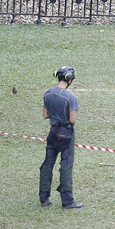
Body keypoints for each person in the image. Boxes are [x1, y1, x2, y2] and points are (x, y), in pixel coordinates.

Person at [39, 65, 83, 209]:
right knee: (65, 166)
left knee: (47, 164)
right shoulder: (70, 97)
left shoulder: (47, 94)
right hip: (66, 135)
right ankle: (67, 201)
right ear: (69, 79)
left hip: (53, 133)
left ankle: (44, 198)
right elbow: (72, 119)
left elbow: (46, 115)